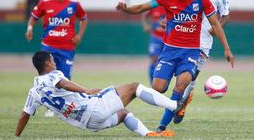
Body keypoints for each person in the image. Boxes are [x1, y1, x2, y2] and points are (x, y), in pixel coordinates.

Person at [116, 0, 234, 133]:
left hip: (191, 52)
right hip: (169, 51)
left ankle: (162, 126)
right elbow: (143, 7)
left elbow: (215, 23)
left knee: (181, 85)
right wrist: (126, 9)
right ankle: (176, 103)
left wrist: (227, 49)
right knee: (158, 88)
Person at [14, 51, 187, 137]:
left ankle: (148, 134)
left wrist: (16, 136)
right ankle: (175, 105)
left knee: (124, 113)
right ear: (47, 63)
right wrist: (85, 90)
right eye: (52, 60)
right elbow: (63, 83)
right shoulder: (54, 75)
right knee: (134, 87)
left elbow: (24, 115)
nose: (55, 62)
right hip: (93, 108)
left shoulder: (33, 91)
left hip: (89, 124)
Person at [172, 0, 231, 125]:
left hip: (204, 42)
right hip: (183, 37)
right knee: (179, 75)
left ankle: (182, 103)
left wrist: (218, 26)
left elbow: (225, 15)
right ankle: (179, 98)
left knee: (191, 76)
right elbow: (174, 7)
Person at [25, 0, 87, 80]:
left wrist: (79, 35)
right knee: (47, 79)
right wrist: (30, 28)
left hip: (67, 48)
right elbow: (33, 18)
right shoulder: (45, 3)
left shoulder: (74, 5)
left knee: (65, 80)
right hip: (48, 47)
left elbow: (84, 19)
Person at [140, 0, 168, 85]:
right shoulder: (154, 5)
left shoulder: (172, 6)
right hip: (156, 37)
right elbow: (144, 15)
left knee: (164, 62)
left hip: (167, 39)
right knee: (154, 59)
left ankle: (162, 83)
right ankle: (153, 84)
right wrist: (146, 25)